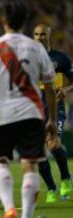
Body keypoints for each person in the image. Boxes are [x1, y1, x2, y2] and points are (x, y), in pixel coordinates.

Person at [0, 0, 57, 218]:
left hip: (4, 114)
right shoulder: (36, 47)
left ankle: (9, 208)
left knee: (1, 160)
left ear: (4, 21)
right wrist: (50, 120)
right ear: (25, 22)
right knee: (30, 165)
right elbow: (49, 86)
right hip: (32, 113)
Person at [33, 23, 73, 202]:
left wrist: (66, 89)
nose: (39, 37)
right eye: (36, 34)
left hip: (56, 108)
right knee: (37, 152)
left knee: (53, 144)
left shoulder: (60, 58)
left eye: (43, 34)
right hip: (34, 110)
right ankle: (51, 188)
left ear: (49, 36)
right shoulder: (29, 59)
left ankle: (66, 178)